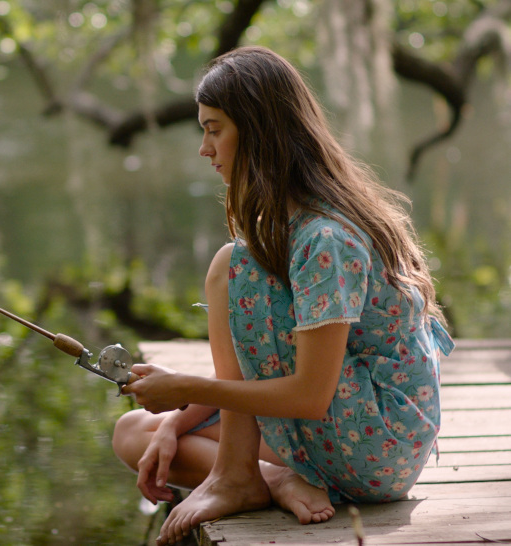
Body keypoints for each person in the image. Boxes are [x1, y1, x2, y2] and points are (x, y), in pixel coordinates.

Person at [112, 46, 455, 546]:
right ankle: (268, 479)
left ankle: (236, 475)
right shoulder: (293, 226)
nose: (204, 149)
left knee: (230, 266)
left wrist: (188, 387)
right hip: (347, 431)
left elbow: (310, 395)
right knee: (136, 432)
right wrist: (180, 414)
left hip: (379, 448)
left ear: (258, 132)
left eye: (214, 130)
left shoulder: (325, 239)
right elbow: (271, 367)